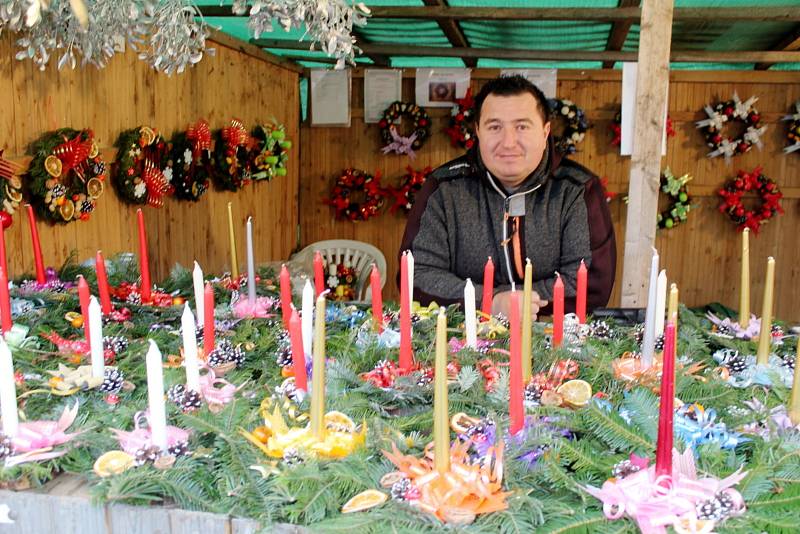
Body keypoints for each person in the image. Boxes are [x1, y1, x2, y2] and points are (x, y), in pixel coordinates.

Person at [400, 75, 615, 319]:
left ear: (545, 133)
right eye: (494, 127)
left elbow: (592, 283)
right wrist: (489, 302)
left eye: (522, 126)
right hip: (458, 339)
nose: (508, 142)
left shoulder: (577, 189)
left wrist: (513, 303)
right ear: (478, 131)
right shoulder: (443, 189)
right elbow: (417, 276)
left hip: (556, 341)